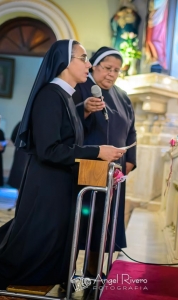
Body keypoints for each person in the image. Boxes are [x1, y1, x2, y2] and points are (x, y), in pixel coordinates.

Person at [0, 39, 126, 297]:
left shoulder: (66, 97)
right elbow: (50, 149)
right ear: (64, 61)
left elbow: (66, 138)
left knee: (42, 249)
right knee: (31, 250)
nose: (88, 64)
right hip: (46, 186)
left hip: (59, 186)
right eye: (82, 58)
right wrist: (97, 151)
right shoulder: (50, 95)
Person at [73, 46, 137, 277]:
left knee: (104, 222)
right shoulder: (79, 88)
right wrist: (85, 110)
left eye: (117, 70)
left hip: (114, 172)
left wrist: (129, 160)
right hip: (85, 168)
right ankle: (65, 271)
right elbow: (67, 121)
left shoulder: (122, 96)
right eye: (107, 68)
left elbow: (132, 131)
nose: (111, 74)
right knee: (81, 221)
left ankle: (93, 272)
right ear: (94, 66)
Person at [7, 121, 29, 210]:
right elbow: (14, 137)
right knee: (20, 176)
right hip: (23, 153)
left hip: (23, 152)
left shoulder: (22, 123)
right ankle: (19, 199)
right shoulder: (22, 123)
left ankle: (21, 200)